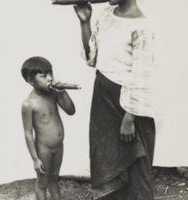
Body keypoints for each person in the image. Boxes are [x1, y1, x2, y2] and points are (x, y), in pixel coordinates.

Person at [74, 0, 157, 199]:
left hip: (128, 105)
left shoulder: (141, 27)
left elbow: (142, 75)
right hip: (103, 97)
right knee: (105, 159)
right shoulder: (106, 14)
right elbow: (92, 58)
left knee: (134, 164)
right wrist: (84, 22)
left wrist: (129, 118)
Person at [21, 56, 75, 200]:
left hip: (58, 146)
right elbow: (28, 133)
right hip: (43, 149)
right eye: (44, 76)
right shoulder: (29, 104)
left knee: (54, 178)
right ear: (31, 81)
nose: (50, 78)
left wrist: (63, 91)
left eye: (51, 74)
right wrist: (35, 159)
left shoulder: (54, 93)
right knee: (42, 184)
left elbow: (71, 111)